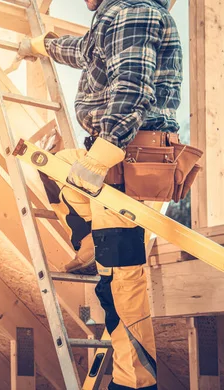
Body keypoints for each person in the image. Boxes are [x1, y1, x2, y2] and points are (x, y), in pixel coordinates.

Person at [17, 0, 182, 389]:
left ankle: (135, 384)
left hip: (127, 160)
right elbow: (85, 50)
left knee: (121, 282)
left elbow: (131, 87)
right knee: (54, 168)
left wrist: (101, 157)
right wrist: (40, 44)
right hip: (113, 157)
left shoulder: (135, 11)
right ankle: (90, 242)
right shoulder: (116, 15)